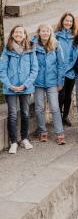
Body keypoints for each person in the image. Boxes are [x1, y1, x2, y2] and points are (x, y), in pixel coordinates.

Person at [0, 25, 38, 154]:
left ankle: (25, 138)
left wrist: (25, 85)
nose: (18, 34)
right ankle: (14, 141)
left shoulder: (30, 49)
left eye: (21, 32)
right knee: (12, 114)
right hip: (10, 87)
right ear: (12, 34)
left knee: (25, 113)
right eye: (16, 32)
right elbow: (2, 70)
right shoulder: (7, 49)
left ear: (25, 35)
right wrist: (9, 85)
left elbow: (34, 69)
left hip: (25, 88)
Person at [33, 24, 66, 145]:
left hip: (52, 82)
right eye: (43, 31)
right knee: (39, 108)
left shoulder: (56, 45)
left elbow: (61, 65)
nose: (45, 33)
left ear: (51, 32)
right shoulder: (34, 46)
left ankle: (60, 133)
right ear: (39, 32)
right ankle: (42, 132)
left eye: (47, 31)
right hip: (38, 82)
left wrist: (60, 81)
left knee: (55, 107)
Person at [56, 12, 77, 127]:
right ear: (62, 21)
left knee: (68, 95)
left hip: (71, 70)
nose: (68, 23)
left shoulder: (75, 37)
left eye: (70, 21)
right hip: (60, 70)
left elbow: (75, 54)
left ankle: (65, 116)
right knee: (61, 94)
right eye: (66, 20)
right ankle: (58, 116)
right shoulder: (56, 36)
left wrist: (70, 67)